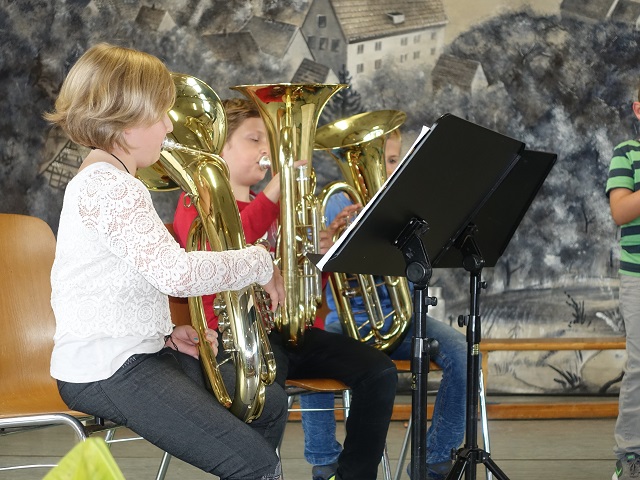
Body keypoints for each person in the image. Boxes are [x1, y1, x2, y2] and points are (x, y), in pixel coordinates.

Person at [46, 43, 288, 480]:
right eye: (160, 114)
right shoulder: (110, 186)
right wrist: (259, 262)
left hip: (136, 352)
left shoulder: (109, 178)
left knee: (268, 405)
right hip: (107, 368)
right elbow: (176, 273)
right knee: (254, 463)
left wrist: (163, 333)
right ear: (125, 122)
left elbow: (118, 281)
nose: (169, 125)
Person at [173, 97, 398, 480]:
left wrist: (320, 256)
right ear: (219, 147)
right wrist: (275, 192)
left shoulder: (273, 209)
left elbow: (299, 294)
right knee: (267, 399)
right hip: (233, 339)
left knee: (379, 372)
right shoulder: (197, 201)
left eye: (268, 141)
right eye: (254, 139)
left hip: (282, 333)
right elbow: (225, 247)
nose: (266, 150)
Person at [303, 128, 468, 480]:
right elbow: (313, 267)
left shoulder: (409, 209)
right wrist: (335, 240)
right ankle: (325, 462)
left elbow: (420, 270)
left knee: (462, 352)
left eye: (393, 160)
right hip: (348, 321)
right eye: (382, 159)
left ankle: (435, 460)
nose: (386, 168)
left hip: (403, 320)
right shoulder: (336, 202)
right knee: (312, 357)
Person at [606, 95, 640, 480]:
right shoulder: (627, 153)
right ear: (638, 109)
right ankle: (631, 455)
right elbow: (620, 211)